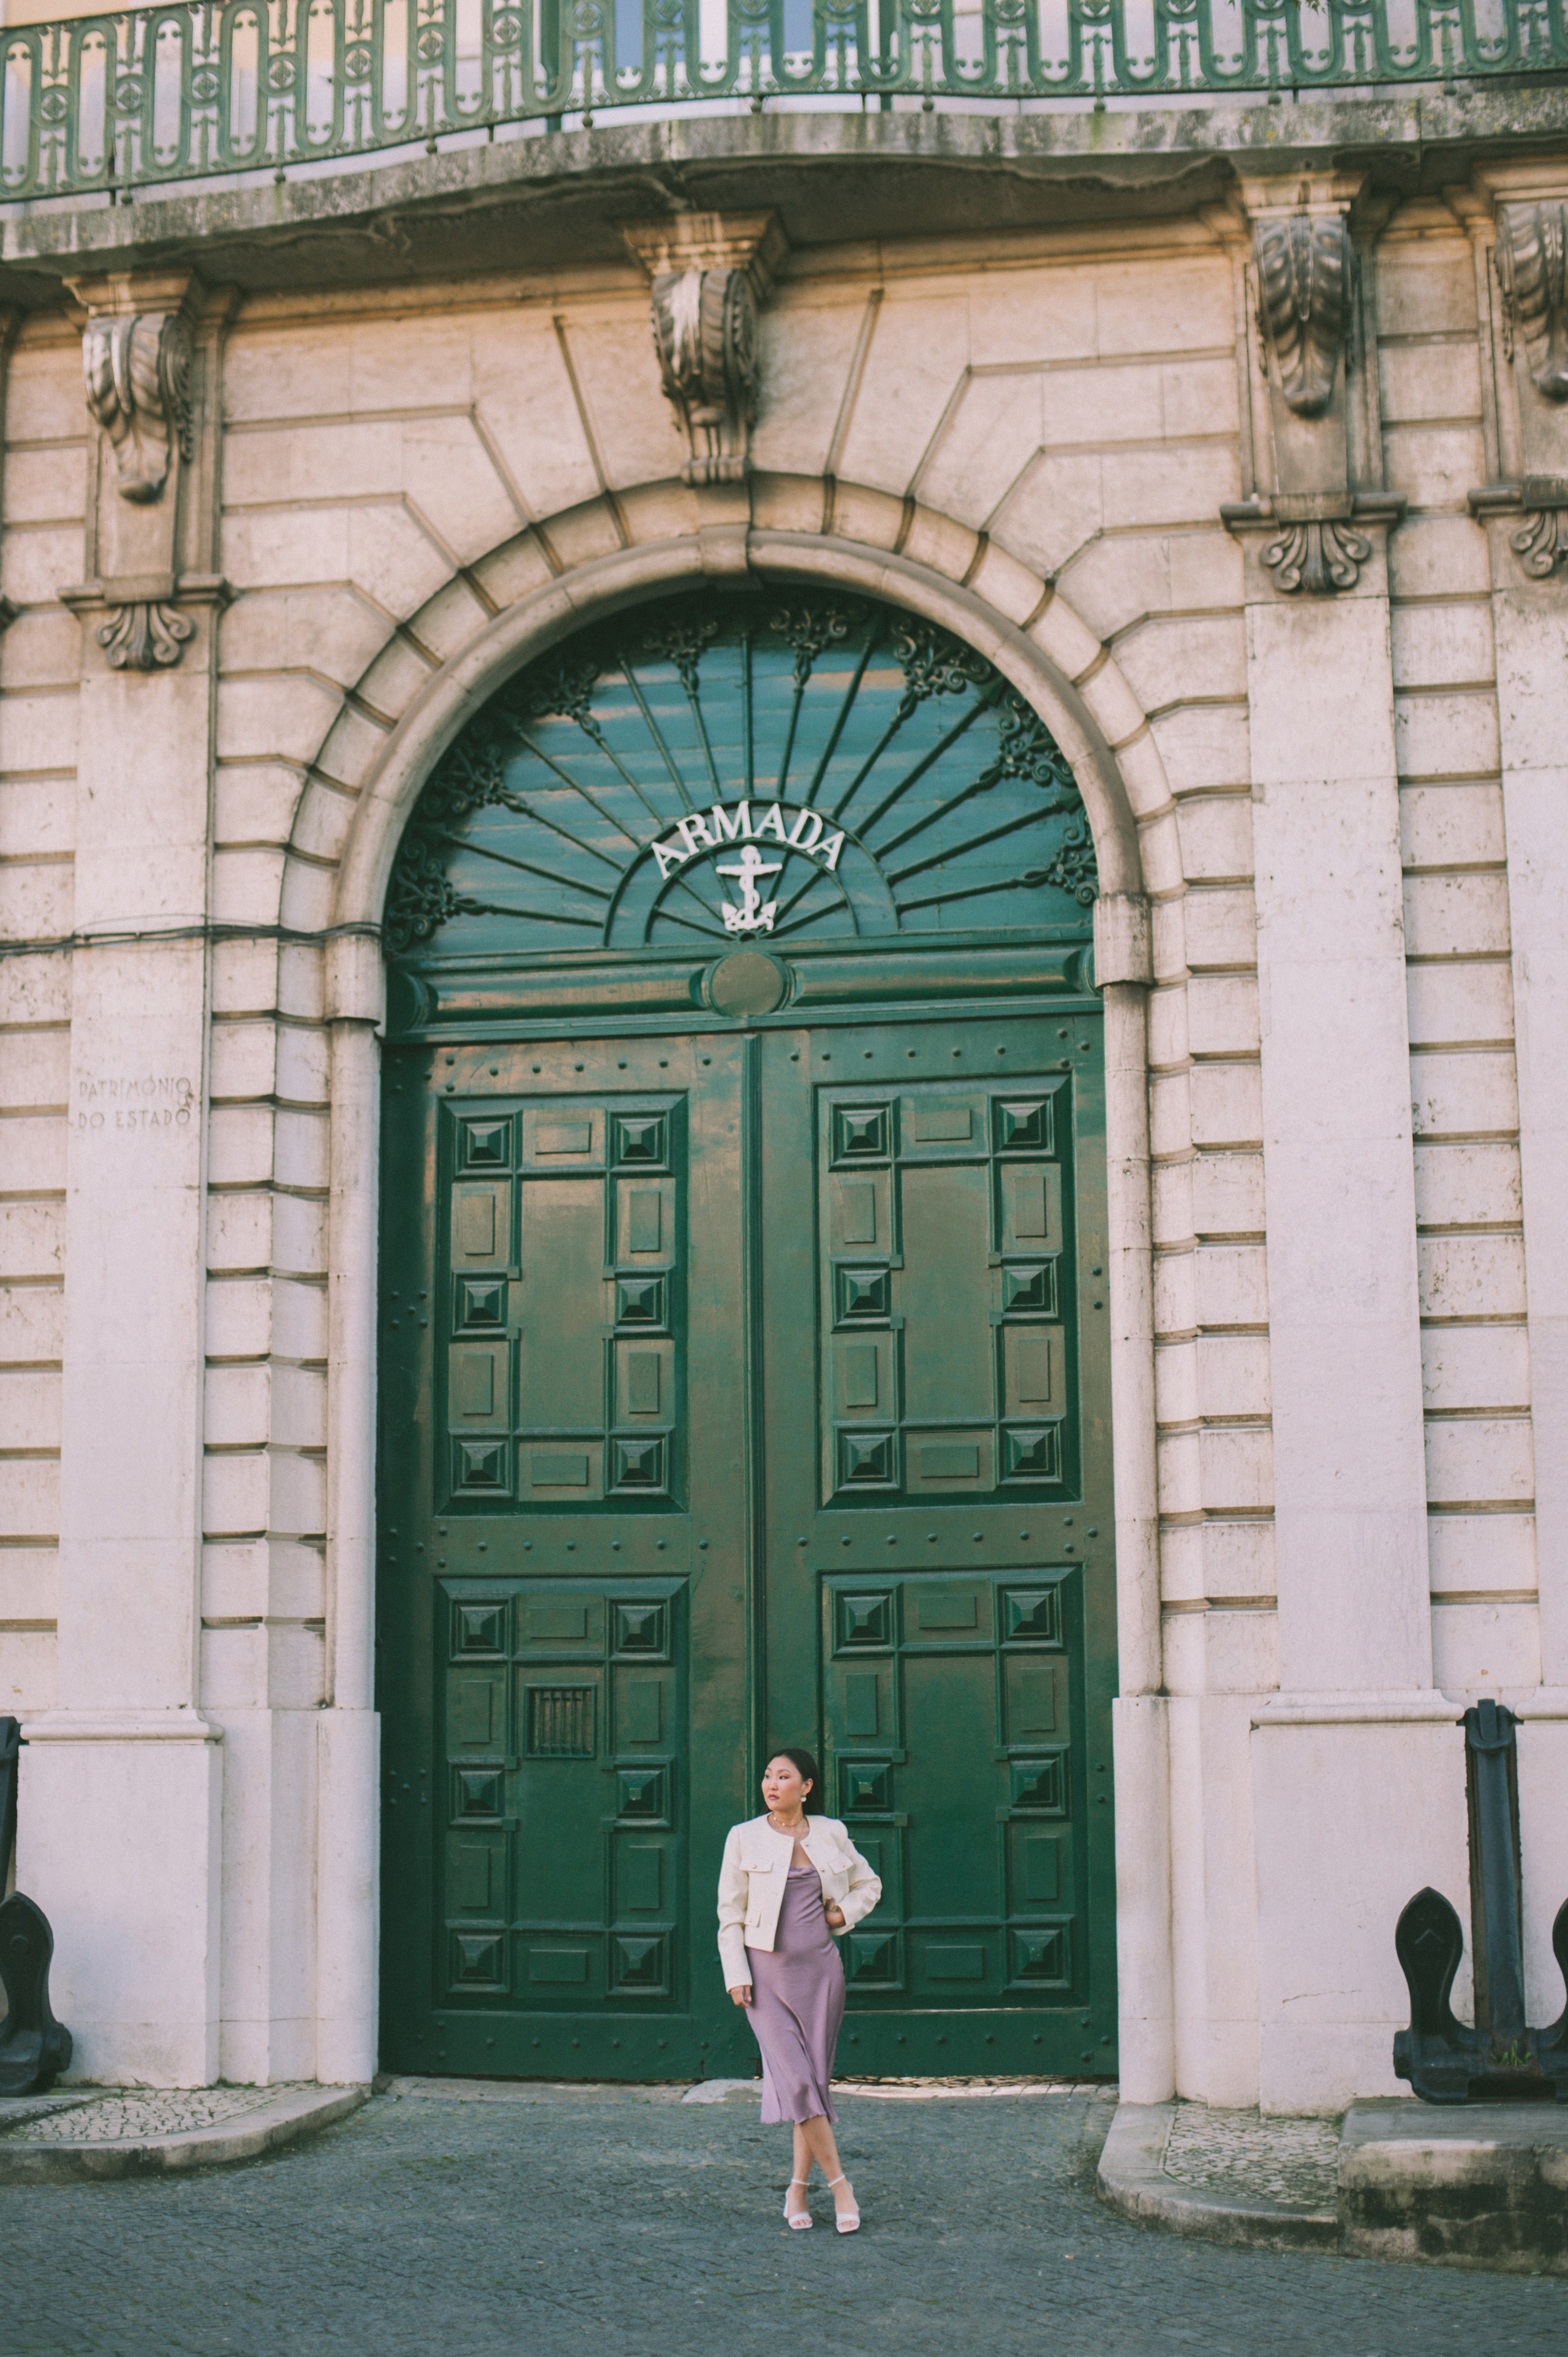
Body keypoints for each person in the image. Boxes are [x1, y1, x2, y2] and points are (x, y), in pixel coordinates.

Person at [717, 1747, 883, 2232]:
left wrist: (843, 1913)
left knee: (811, 2083)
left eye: (784, 1776)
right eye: (768, 1775)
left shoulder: (831, 1832)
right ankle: (841, 2186)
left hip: (822, 1974)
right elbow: (730, 1912)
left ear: (806, 1786)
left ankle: (796, 2190)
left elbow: (869, 1884)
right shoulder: (743, 1837)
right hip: (765, 1978)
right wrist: (737, 1973)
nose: (772, 1783)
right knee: (796, 2082)